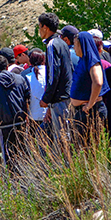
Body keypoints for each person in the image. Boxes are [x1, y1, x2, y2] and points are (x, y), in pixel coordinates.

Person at [0, 55, 31, 171]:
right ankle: (26, 180)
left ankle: (13, 182)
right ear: (7, 66)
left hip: (4, 124)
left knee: (8, 156)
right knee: (23, 153)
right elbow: (27, 98)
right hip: (20, 122)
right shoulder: (20, 79)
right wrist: (28, 117)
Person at [38, 12, 73, 143]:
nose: (39, 30)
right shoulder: (62, 43)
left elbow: (53, 75)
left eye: (40, 27)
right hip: (67, 95)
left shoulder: (51, 45)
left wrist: (46, 98)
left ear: (45, 28)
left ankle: (66, 163)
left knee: (62, 138)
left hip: (59, 98)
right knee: (67, 135)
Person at [70, 32, 110, 144]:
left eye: (75, 44)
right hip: (82, 111)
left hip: (92, 111)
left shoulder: (92, 60)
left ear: (82, 45)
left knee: (91, 148)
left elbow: (98, 82)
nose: (74, 48)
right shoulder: (83, 60)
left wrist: (90, 104)